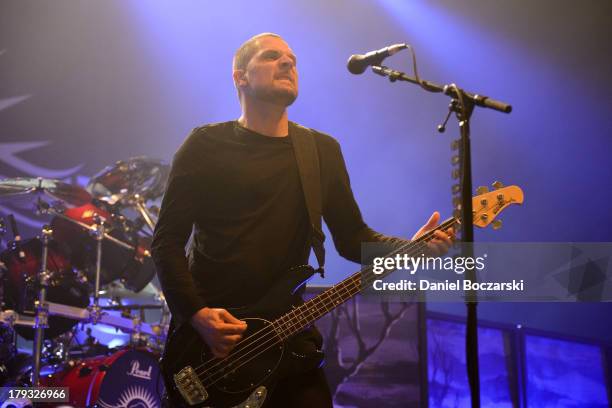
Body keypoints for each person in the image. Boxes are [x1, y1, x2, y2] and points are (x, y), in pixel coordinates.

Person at [151, 32, 453, 408]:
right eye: (273, 56)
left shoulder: (321, 152)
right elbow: (165, 242)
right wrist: (196, 314)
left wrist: (412, 247)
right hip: (214, 343)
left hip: (286, 335)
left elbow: (351, 237)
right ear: (240, 76)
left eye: (292, 58)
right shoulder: (204, 146)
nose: (289, 63)